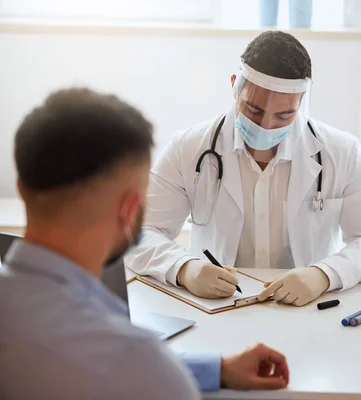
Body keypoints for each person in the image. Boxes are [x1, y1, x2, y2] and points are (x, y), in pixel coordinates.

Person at [0, 88, 289, 399]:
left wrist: (217, 369)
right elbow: (126, 368)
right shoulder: (138, 361)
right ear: (128, 210)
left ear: (21, 188)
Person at [126, 30, 361, 307]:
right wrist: (184, 269)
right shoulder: (188, 148)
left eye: (284, 115)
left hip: (310, 310)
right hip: (216, 311)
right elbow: (137, 234)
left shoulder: (341, 152)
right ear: (234, 86)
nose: (265, 126)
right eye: (253, 110)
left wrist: (324, 274)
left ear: (300, 103)